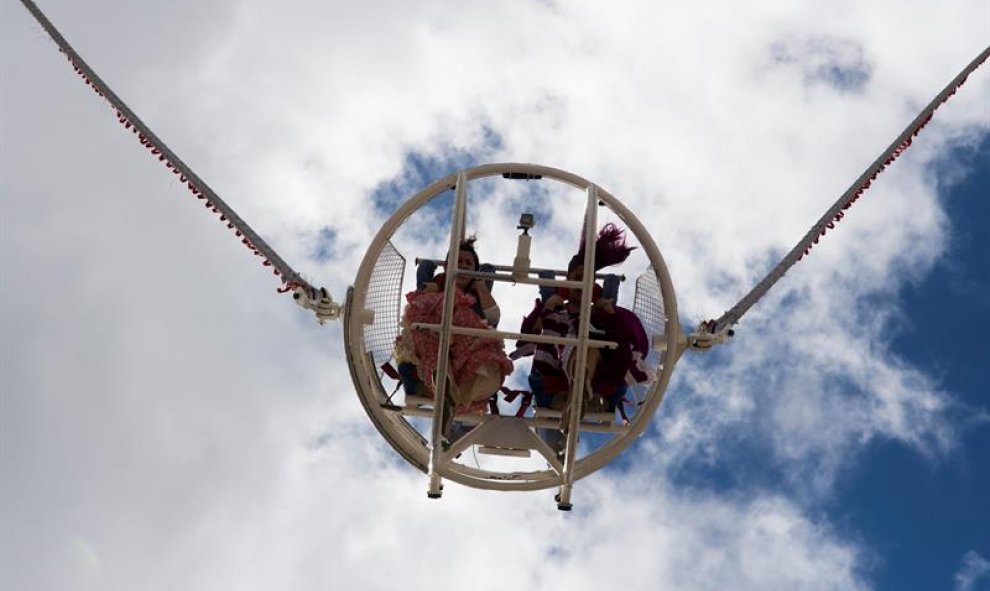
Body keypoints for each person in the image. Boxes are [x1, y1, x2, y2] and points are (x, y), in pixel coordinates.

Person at [513, 223, 651, 454]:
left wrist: (608, 315)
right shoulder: (555, 312)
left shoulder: (603, 314)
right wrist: (546, 311)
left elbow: (628, 337)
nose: (580, 283)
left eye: (585, 278)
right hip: (553, 369)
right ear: (568, 280)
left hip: (601, 371)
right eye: (576, 278)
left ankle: (580, 390)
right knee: (577, 344)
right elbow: (526, 339)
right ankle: (577, 395)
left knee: (587, 345)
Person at [394, 237, 512, 445]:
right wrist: (430, 287)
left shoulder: (476, 299)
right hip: (438, 344)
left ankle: (449, 412)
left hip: (468, 350)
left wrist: (481, 285)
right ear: (448, 267)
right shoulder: (435, 291)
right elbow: (418, 312)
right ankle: (444, 388)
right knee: (436, 343)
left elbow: (492, 318)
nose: (463, 267)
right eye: (458, 262)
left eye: (468, 264)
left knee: (484, 352)